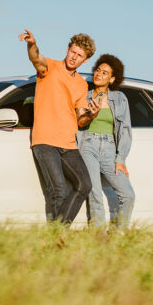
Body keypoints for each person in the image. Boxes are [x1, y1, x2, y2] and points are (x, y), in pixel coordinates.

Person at [18, 29, 95, 223]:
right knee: (58, 190)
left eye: (79, 56)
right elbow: (36, 59)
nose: (74, 58)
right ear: (67, 49)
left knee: (84, 185)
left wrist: (92, 115)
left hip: (68, 143)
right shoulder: (50, 67)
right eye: (73, 52)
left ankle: (57, 234)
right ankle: (58, 240)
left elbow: (81, 119)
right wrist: (31, 44)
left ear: (85, 60)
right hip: (45, 140)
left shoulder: (81, 84)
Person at [77, 54, 135, 227]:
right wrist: (90, 114)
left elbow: (125, 129)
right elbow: (79, 122)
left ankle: (119, 235)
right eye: (97, 70)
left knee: (128, 194)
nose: (99, 74)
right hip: (88, 145)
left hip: (110, 147)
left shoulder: (119, 98)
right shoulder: (84, 96)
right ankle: (99, 238)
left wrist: (121, 159)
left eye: (105, 73)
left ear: (112, 79)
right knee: (95, 194)